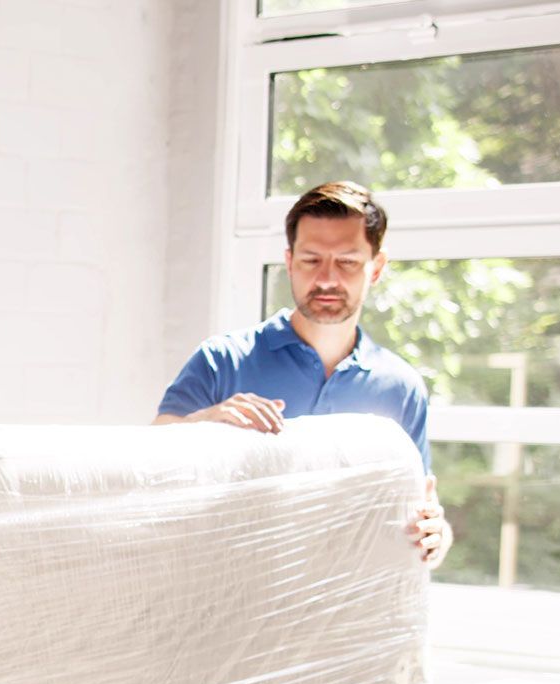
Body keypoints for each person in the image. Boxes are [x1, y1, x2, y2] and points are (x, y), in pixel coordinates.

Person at [154, 181, 453, 567]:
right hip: (227, 591)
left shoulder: (400, 386)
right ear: (290, 260)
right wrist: (205, 422)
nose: (327, 279)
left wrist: (436, 535)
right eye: (312, 260)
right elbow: (153, 458)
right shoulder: (224, 358)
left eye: (346, 262)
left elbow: (416, 501)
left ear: (376, 268)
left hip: (347, 608)